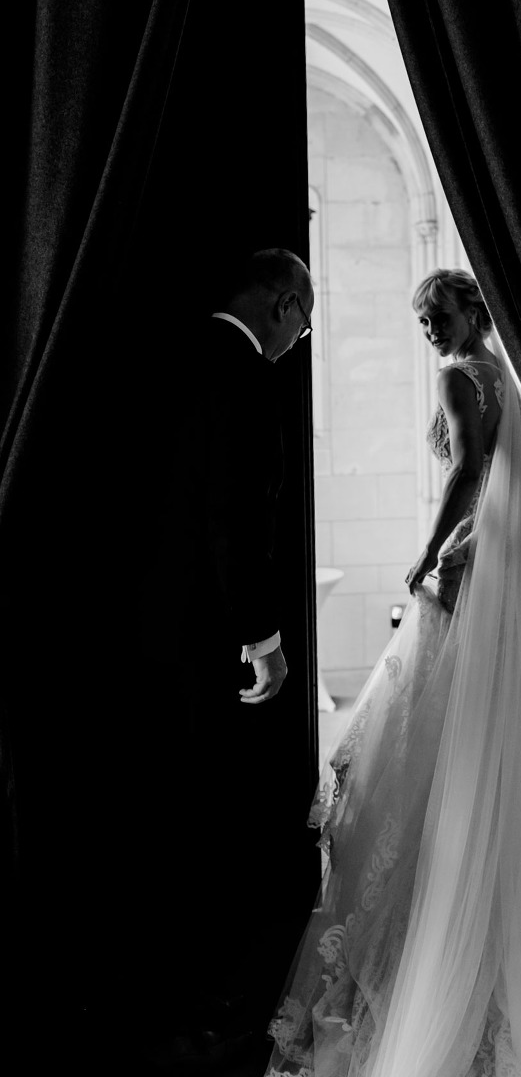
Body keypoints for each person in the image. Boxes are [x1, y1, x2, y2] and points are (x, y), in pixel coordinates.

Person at [262, 269, 521, 1077]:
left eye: (435, 317)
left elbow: (467, 473)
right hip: (506, 566)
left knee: (422, 747)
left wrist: (425, 556)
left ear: (470, 311)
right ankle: (480, 942)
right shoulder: (510, 378)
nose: (429, 334)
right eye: (420, 324)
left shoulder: (459, 378)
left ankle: (434, 945)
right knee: (489, 747)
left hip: (468, 570)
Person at [136, 247, 314, 1068]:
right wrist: (263, 639)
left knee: (165, 809)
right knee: (196, 810)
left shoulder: (166, 352)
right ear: (284, 302)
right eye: (304, 324)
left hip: (142, 626)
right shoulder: (243, 374)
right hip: (201, 636)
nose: (298, 342)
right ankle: (191, 1006)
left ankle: (175, 993)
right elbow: (238, 517)